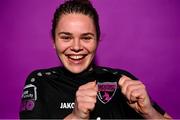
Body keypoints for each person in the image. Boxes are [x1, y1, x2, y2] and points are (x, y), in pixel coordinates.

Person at [19, 0, 172, 119]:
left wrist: (150, 113)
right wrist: (76, 117)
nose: (76, 47)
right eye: (66, 37)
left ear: (97, 40)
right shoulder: (39, 82)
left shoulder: (121, 81)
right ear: (54, 41)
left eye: (86, 37)